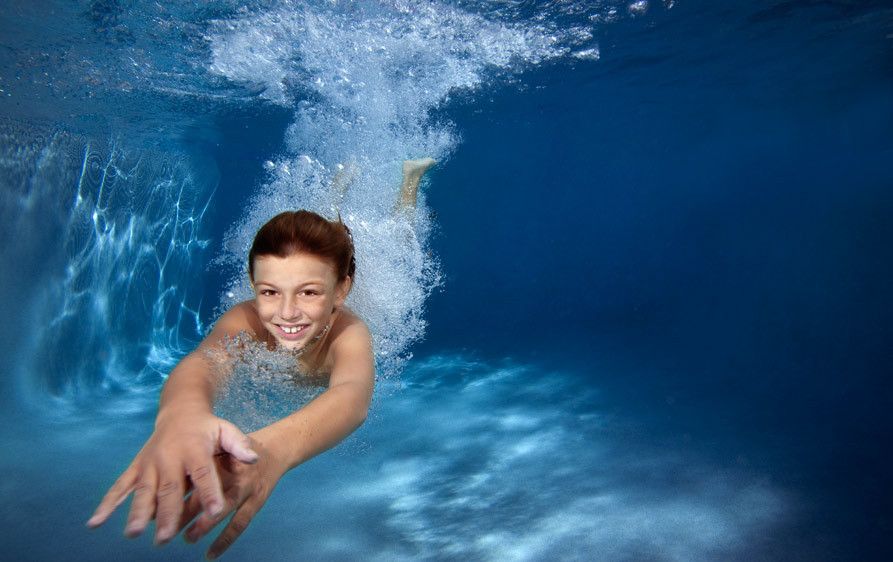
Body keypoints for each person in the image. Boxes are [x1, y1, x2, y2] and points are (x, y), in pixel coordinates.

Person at [86, 158, 436, 559]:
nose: (286, 314)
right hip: (317, 276)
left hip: (365, 283)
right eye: (269, 292)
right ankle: (336, 193)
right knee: (317, 244)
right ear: (253, 286)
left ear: (341, 291)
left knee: (398, 241)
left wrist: (272, 451)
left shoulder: (350, 332)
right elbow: (206, 362)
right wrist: (180, 413)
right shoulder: (247, 319)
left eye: (309, 293)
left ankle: (410, 179)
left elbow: (351, 397)